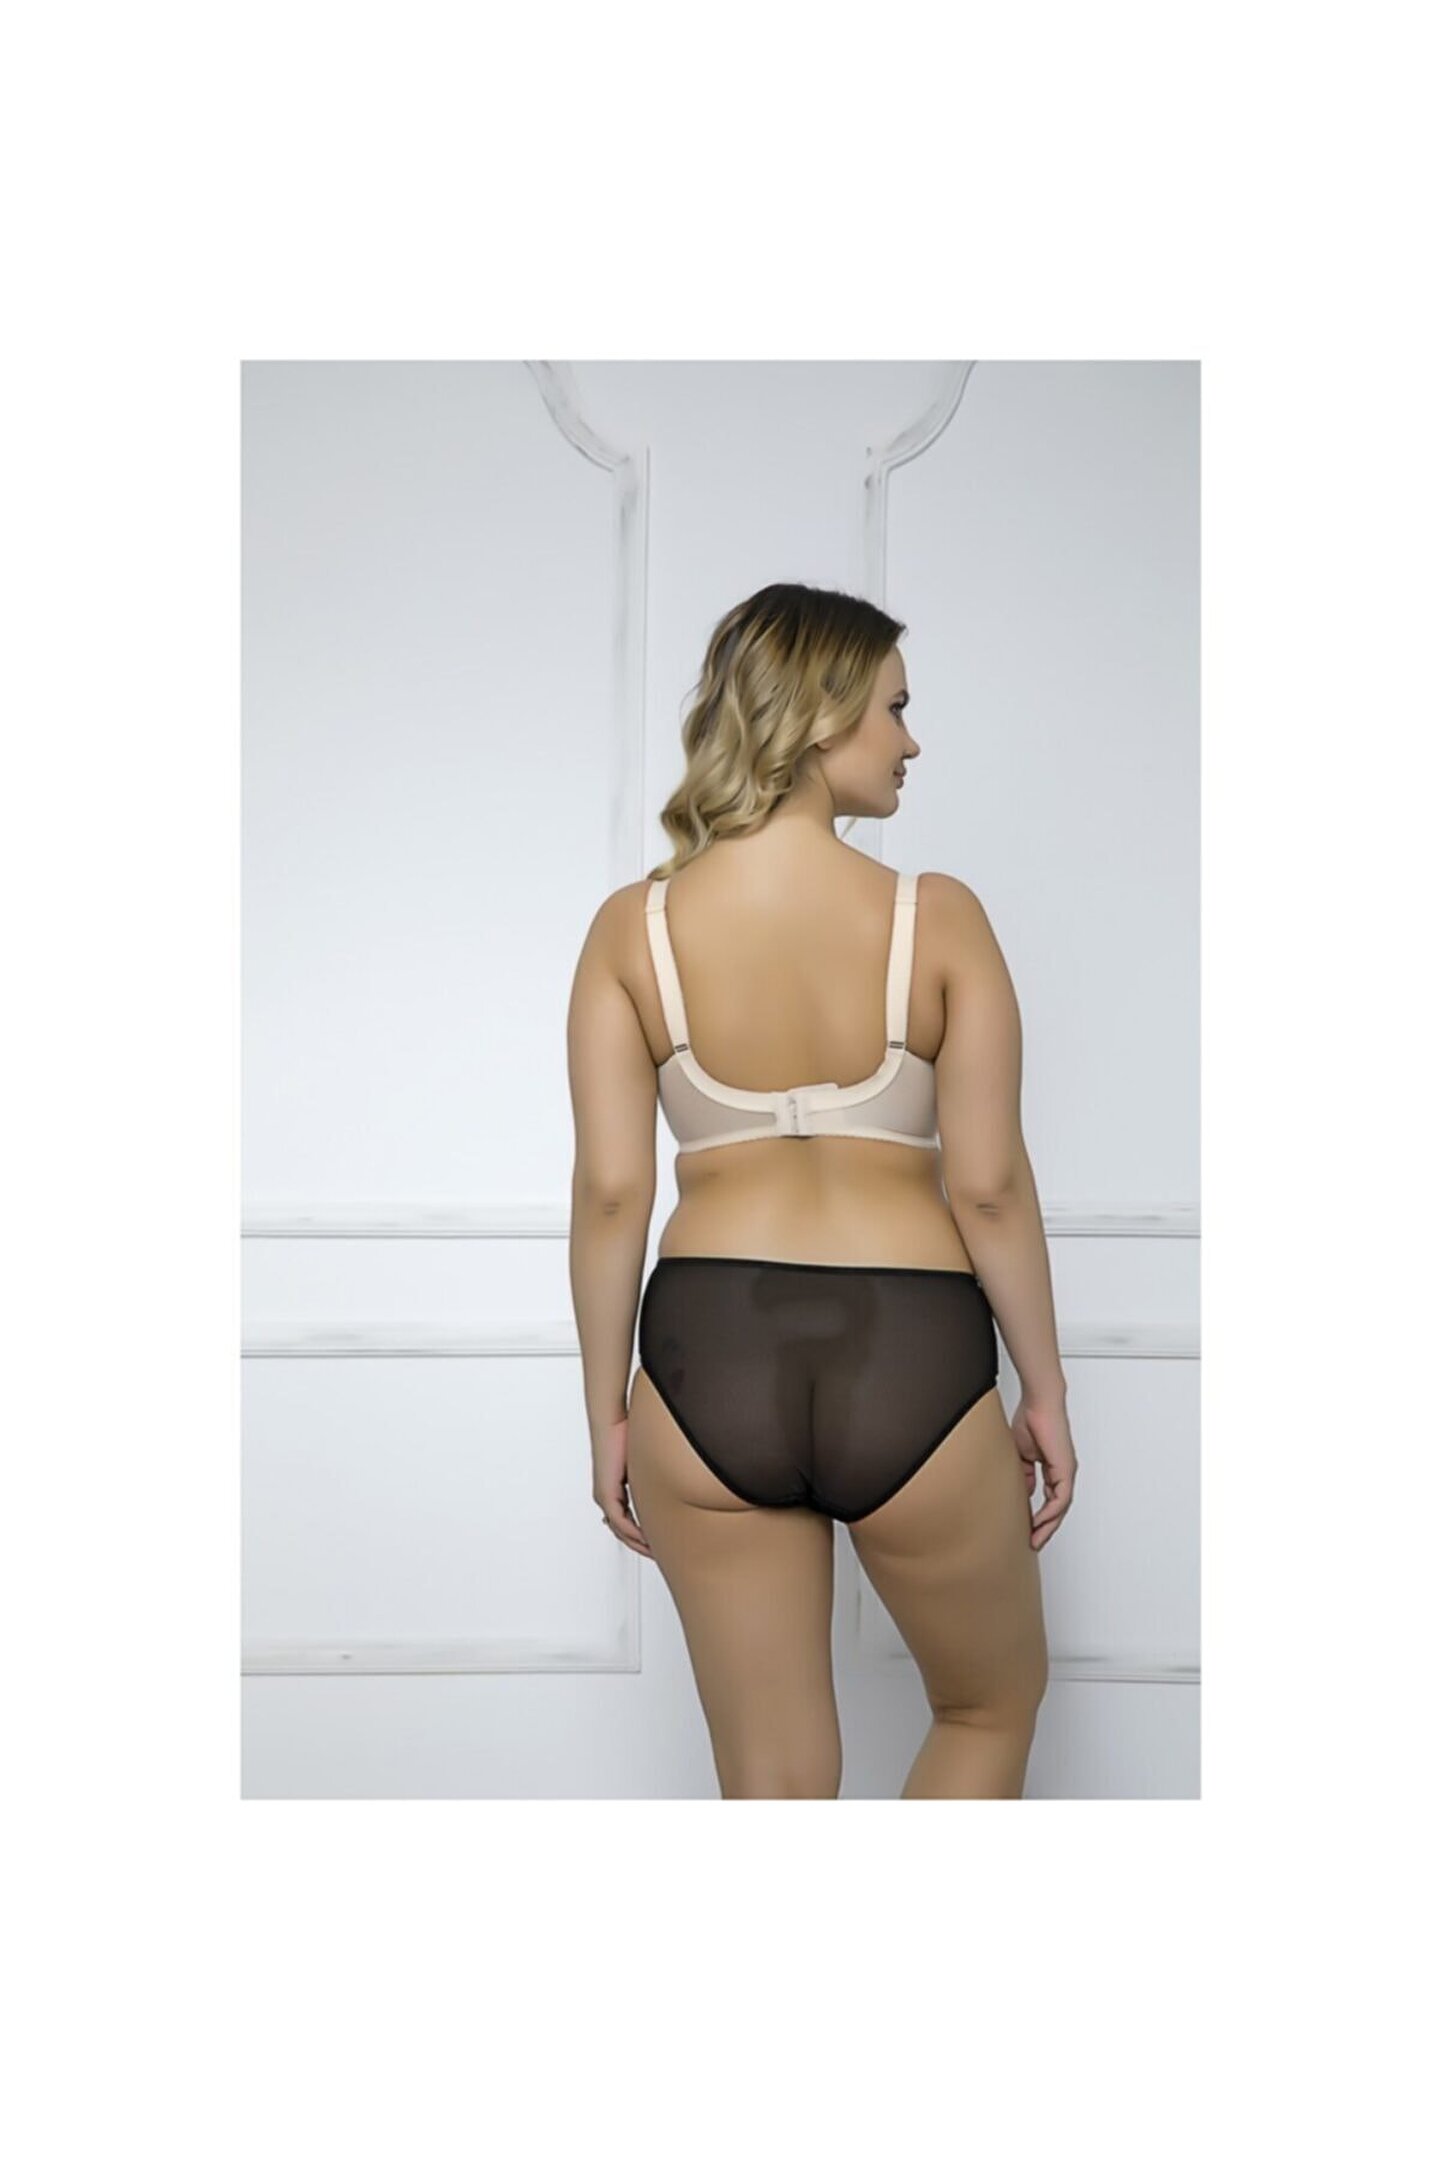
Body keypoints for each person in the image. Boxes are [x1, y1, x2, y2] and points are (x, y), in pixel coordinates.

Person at [566, 582, 1076, 1799]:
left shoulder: (630, 932)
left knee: (775, 1778)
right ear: (818, 714)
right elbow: (989, 1188)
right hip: (909, 1350)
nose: (912, 741)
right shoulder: (937, 919)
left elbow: (612, 1196)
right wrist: (1046, 1389)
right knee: (987, 1709)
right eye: (894, 709)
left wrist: (607, 1415)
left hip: (705, 1356)